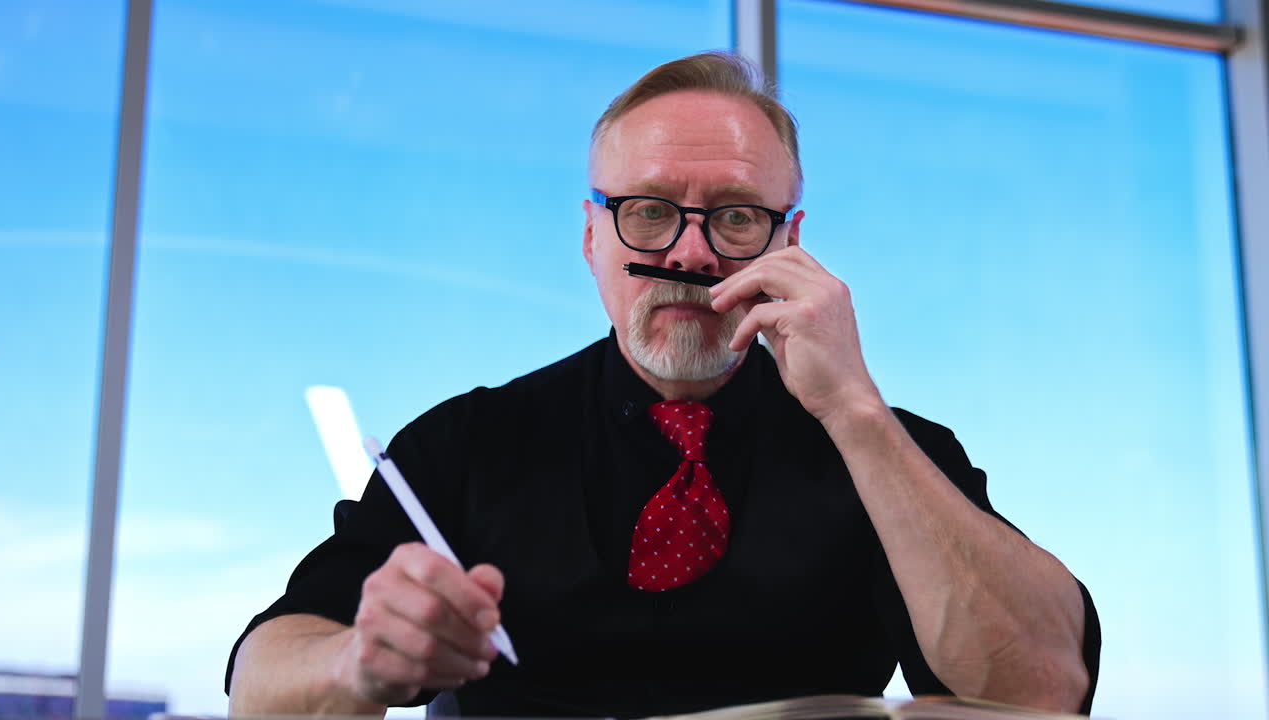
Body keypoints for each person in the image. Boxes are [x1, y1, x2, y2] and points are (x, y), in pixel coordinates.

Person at [226, 51, 1100, 717]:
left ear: (790, 242)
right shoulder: (465, 445)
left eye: (736, 217)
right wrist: (357, 663)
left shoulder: (890, 447)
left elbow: (1042, 690)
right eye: (647, 212)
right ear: (591, 238)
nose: (689, 254)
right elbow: (259, 683)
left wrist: (855, 412)